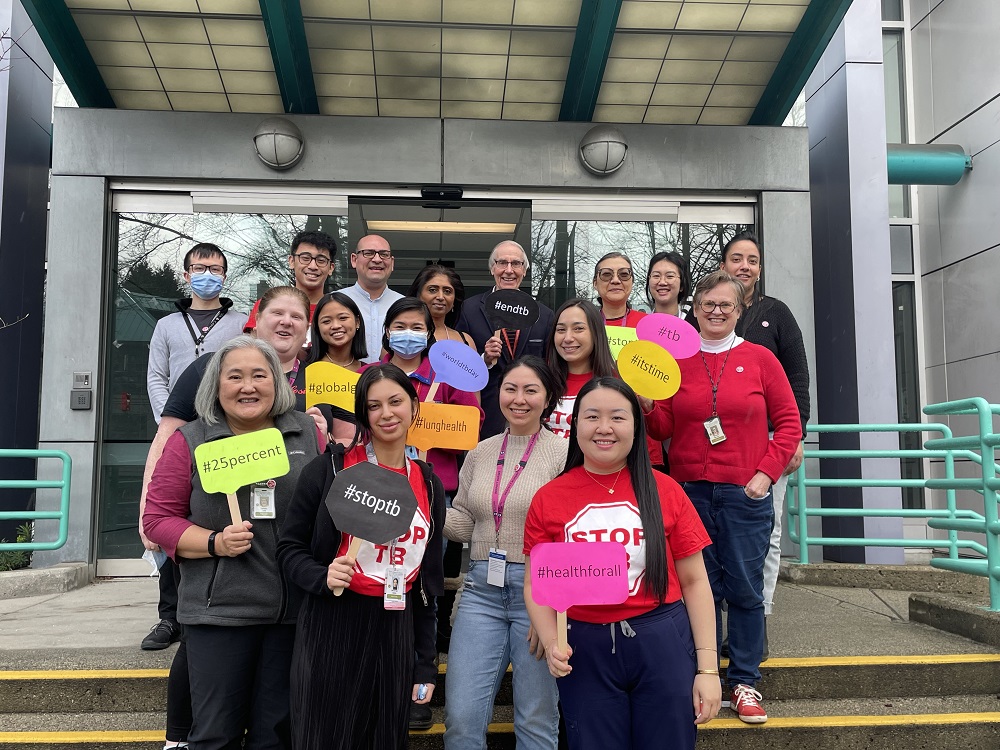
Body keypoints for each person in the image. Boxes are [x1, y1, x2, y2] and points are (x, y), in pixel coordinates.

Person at [137, 287, 329, 750]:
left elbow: (326, 510)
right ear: (215, 386)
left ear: (277, 383)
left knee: (276, 736)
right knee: (215, 735)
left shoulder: (305, 432)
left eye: (260, 375)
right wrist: (212, 542)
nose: (249, 386)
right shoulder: (191, 440)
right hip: (219, 614)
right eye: (235, 376)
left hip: (292, 615)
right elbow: (157, 520)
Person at [523, 377, 721, 750]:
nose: (604, 428)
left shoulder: (666, 490)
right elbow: (537, 585)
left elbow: (695, 582)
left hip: (662, 639)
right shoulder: (549, 498)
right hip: (584, 648)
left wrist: (708, 669)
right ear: (575, 424)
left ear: (636, 426)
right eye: (591, 416)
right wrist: (552, 643)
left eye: (618, 417)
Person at [643, 270, 801, 724]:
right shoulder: (678, 362)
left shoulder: (760, 359)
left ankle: (746, 681)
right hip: (690, 493)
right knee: (700, 588)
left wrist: (765, 474)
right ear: (694, 307)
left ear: (740, 310)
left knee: (746, 589)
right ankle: (703, 673)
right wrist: (649, 405)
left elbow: (789, 423)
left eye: (725, 305)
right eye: (708, 304)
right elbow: (663, 429)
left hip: (745, 493)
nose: (716, 311)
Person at [276, 364, 446, 750]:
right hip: (332, 622)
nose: (387, 413)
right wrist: (321, 576)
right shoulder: (329, 469)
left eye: (395, 401)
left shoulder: (428, 483)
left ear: (414, 406)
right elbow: (289, 548)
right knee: (323, 737)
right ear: (363, 414)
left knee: (384, 737)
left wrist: (425, 663)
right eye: (374, 406)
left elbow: (425, 587)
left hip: (395, 625)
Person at [443, 356, 566, 750]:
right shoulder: (480, 451)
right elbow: (465, 522)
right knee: (461, 719)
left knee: (535, 720)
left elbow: (570, 535)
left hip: (536, 593)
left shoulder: (564, 454)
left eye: (531, 390)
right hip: (480, 592)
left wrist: (549, 609)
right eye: (511, 388)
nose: (519, 399)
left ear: (548, 399)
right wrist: (423, 508)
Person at [369, 297, 484, 705]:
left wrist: (433, 427)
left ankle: (424, 670)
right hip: (378, 490)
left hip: (435, 490)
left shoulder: (448, 372)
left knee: (428, 581)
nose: (408, 334)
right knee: (379, 574)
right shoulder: (373, 373)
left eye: (417, 327)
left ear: (430, 333)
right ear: (386, 331)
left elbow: (471, 425)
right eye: (399, 326)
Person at [142, 243, 247, 656]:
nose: (208, 274)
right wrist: (171, 423)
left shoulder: (241, 323)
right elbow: (156, 377)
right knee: (169, 516)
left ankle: (202, 604)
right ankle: (169, 614)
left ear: (225, 274)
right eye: (200, 268)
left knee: (207, 515)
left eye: (216, 268)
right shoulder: (167, 324)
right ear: (186, 274)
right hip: (177, 431)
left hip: (222, 431)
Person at [720, 231, 810, 639]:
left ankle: (760, 617)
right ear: (724, 265)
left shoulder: (778, 313)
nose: (744, 266)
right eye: (736, 258)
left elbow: (798, 380)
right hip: (718, 449)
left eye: (752, 260)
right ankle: (718, 625)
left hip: (771, 444)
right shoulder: (709, 311)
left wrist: (797, 437)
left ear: (759, 268)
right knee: (718, 538)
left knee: (767, 533)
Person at [457, 240, 555, 439]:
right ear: (492, 269)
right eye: (502, 263)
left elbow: (550, 368)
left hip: (529, 415)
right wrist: (483, 359)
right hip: (486, 415)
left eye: (516, 264)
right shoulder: (469, 309)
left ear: (525, 271)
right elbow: (459, 368)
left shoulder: (544, 315)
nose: (509, 270)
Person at [543, 299, 615, 439]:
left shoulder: (617, 383)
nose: (568, 338)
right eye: (561, 330)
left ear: (596, 333)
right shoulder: (541, 381)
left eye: (578, 329)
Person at [244, 230, 337, 335]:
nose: (313, 266)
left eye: (321, 260)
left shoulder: (338, 310)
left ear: (331, 268)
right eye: (305, 258)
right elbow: (253, 346)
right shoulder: (267, 305)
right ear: (292, 261)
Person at [339, 234, 403, 363]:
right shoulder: (336, 301)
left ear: (392, 263)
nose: (377, 259)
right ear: (354, 259)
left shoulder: (403, 305)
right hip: (343, 380)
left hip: (393, 380)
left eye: (384, 254)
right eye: (369, 253)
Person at [407, 264, 476, 349]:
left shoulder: (466, 340)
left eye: (447, 291)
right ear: (418, 295)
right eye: (432, 290)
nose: (440, 297)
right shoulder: (403, 335)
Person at [306, 291, 368, 373]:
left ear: (357, 322)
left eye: (343, 318)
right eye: (326, 321)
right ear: (317, 327)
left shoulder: (368, 372)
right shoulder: (305, 369)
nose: (336, 326)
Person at [592, 251, 645, 326]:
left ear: (632, 281)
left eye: (624, 274)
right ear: (595, 283)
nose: (615, 280)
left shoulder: (648, 324)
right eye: (607, 274)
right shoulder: (584, 324)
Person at [646, 250, 692, 317]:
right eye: (656, 276)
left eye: (670, 276)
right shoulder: (639, 325)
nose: (662, 282)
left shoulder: (693, 326)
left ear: (682, 284)